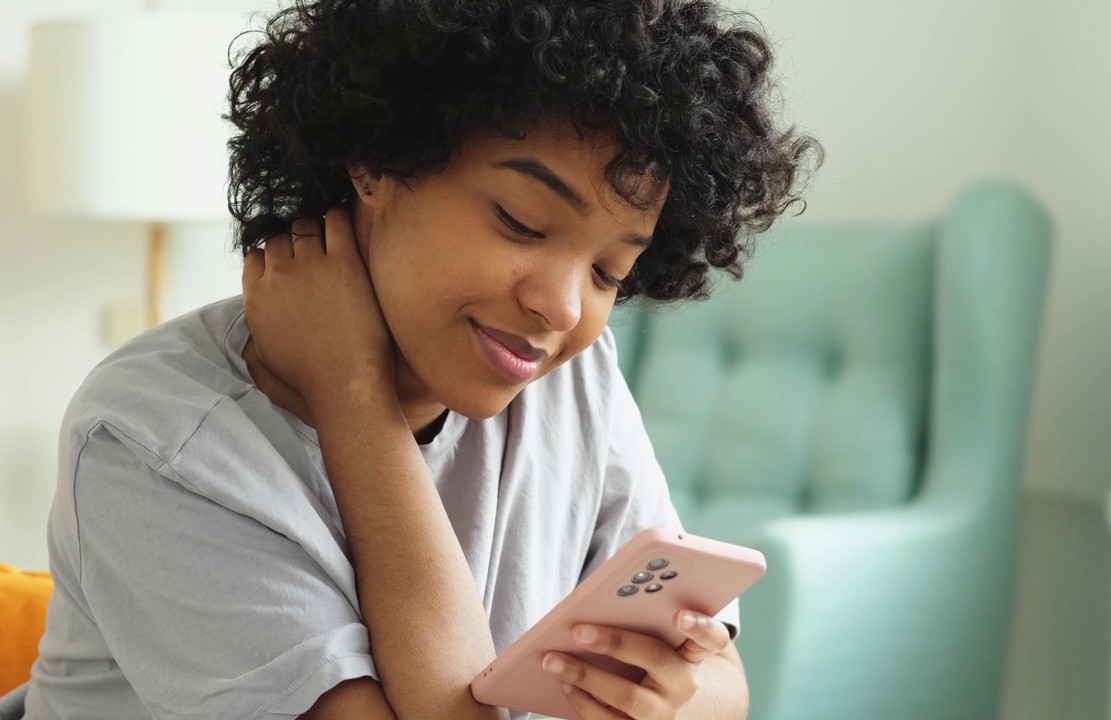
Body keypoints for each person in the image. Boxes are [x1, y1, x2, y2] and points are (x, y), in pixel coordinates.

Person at [9, 0, 820, 717]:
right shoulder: (154, 440)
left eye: (610, 270)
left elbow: (721, 682)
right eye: (522, 222)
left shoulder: (575, 375)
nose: (565, 308)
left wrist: (666, 701)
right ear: (376, 159)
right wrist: (353, 392)